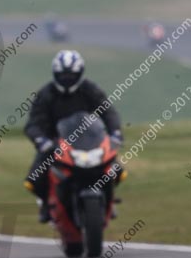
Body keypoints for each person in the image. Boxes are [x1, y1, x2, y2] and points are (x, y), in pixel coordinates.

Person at [23, 50, 123, 222]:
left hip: (90, 141)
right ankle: (47, 204)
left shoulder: (90, 90)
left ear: (80, 73)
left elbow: (109, 113)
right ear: (55, 74)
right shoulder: (46, 94)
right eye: (63, 75)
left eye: (72, 75)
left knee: (117, 171)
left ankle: (108, 200)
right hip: (54, 144)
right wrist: (41, 140)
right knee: (34, 179)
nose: (67, 79)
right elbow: (33, 124)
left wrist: (115, 133)